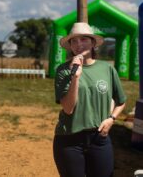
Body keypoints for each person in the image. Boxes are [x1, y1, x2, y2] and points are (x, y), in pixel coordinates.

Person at [53, 22, 126, 177]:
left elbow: (121, 101)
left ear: (93, 43)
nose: (79, 44)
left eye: (84, 39)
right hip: (69, 140)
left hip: (99, 138)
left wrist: (111, 119)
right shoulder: (63, 70)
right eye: (74, 40)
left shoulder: (107, 69)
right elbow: (68, 108)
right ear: (70, 46)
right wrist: (75, 76)